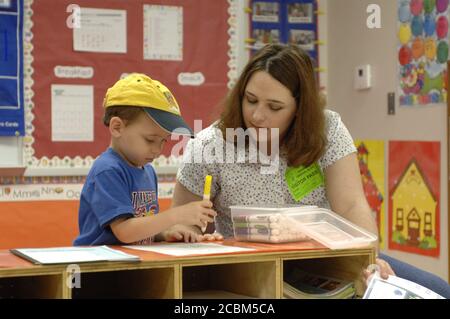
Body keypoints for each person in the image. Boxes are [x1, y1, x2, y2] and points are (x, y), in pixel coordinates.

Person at [170, 44, 450, 298]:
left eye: (274, 107)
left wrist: (368, 258)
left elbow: (351, 205)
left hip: (327, 259)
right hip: (248, 267)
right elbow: (182, 219)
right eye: (250, 100)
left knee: (438, 290)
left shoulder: (327, 130)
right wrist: (190, 233)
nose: (257, 115)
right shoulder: (211, 143)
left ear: (299, 110)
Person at [74, 73, 216, 246]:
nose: (157, 150)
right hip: (100, 267)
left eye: (163, 141)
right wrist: (177, 214)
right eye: (150, 140)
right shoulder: (108, 170)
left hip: (134, 261)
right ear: (117, 127)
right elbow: (125, 232)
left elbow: (141, 229)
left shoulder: (147, 171)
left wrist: (166, 233)